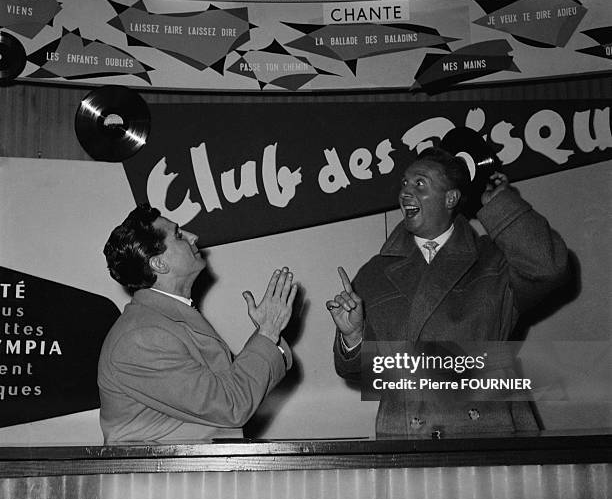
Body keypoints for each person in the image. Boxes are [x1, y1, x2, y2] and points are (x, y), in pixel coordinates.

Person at [327, 147, 569, 438]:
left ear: (450, 198)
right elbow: (368, 374)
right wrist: (352, 337)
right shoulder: (375, 273)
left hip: (489, 431)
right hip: (407, 436)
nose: (406, 192)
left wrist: (502, 205)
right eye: (404, 183)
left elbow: (548, 267)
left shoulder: (495, 260)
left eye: (420, 184)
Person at [98, 203, 297, 443]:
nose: (194, 237)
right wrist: (267, 333)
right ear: (159, 264)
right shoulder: (142, 337)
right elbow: (231, 405)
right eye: (179, 235)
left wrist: (267, 335)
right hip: (163, 478)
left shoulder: (162, 322)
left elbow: (237, 388)